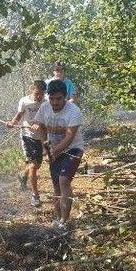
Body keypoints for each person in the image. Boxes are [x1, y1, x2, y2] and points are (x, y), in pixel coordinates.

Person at [32, 79, 84, 228]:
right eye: (52, 98)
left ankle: (64, 222)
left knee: (63, 181)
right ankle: (58, 217)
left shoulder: (74, 111)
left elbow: (69, 137)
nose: (55, 102)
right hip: (53, 150)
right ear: (48, 96)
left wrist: (52, 153)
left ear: (65, 97)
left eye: (59, 99)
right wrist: (44, 148)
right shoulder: (44, 108)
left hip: (73, 149)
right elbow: (41, 127)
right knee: (56, 185)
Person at [6, 80, 46, 207]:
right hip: (27, 136)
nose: (39, 96)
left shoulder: (46, 102)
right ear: (31, 90)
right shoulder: (24, 101)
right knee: (33, 166)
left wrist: (39, 123)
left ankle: (22, 175)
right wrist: (12, 123)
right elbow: (19, 115)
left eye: (41, 94)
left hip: (41, 137)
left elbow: (48, 118)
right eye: (37, 94)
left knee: (37, 165)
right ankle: (35, 195)